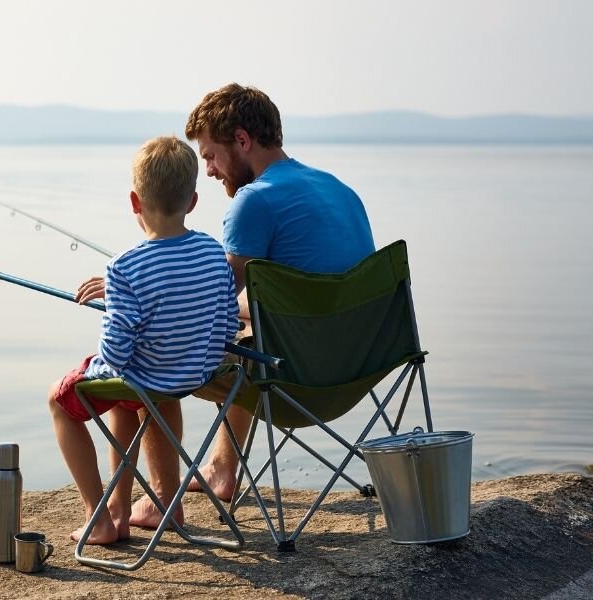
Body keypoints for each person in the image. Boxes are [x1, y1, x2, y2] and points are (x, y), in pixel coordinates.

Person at [78, 83, 376, 524]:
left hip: (295, 377)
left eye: (212, 156)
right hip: (359, 362)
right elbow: (247, 300)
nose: (212, 171)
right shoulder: (338, 188)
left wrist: (134, 286)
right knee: (245, 332)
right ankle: (221, 467)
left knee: (153, 355)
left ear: (242, 140)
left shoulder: (253, 201)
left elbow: (203, 301)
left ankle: (163, 498)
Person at [50, 135, 239, 545]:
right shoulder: (213, 253)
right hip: (198, 374)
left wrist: (114, 319)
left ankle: (96, 515)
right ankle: (133, 509)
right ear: (192, 201)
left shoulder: (123, 268)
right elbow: (227, 327)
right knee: (130, 399)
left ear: (135, 202)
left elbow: (116, 354)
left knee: (59, 400)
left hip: (147, 379)